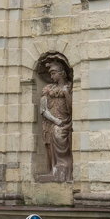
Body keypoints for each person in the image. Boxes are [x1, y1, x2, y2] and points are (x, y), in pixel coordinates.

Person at [38, 53, 74, 181]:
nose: (51, 76)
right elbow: (43, 109)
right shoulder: (49, 88)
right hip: (52, 122)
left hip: (65, 122)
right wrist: (55, 120)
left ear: (62, 73)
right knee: (51, 140)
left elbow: (71, 108)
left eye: (53, 73)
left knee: (59, 134)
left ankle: (63, 168)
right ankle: (54, 169)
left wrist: (66, 94)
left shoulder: (68, 87)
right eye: (50, 73)